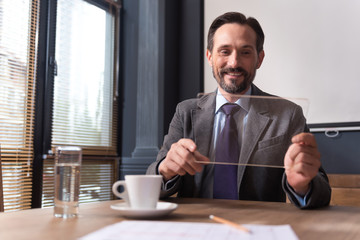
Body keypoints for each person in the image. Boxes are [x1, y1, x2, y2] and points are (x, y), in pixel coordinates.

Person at [146, 12, 331, 208]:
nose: (234, 63)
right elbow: (152, 185)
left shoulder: (288, 114)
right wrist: (165, 170)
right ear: (210, 57)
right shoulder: (185, 112)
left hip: (258, 229)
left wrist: (302, 185)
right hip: (197, 226)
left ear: (259, 59)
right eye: (224, 51)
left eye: (245, 52)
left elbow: (322, 192)